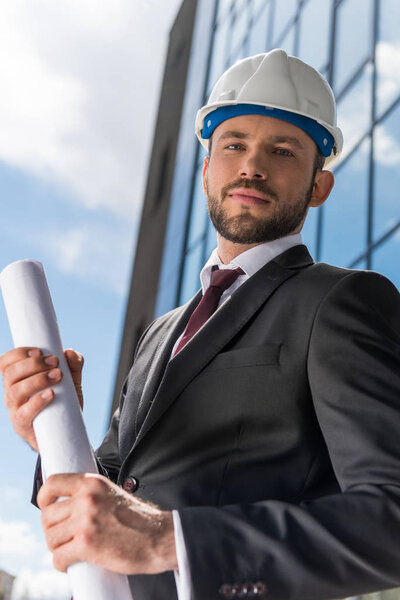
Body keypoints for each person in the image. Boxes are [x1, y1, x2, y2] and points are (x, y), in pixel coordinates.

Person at [1, 48, 400, 600]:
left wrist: (171, 539)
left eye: (282, 150)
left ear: (318, 188)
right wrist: (49, 434)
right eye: (233, 144)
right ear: (208, 167)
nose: (251, 165)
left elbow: (391, 519)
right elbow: (116, 490)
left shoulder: (340, 300)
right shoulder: (161, 332)